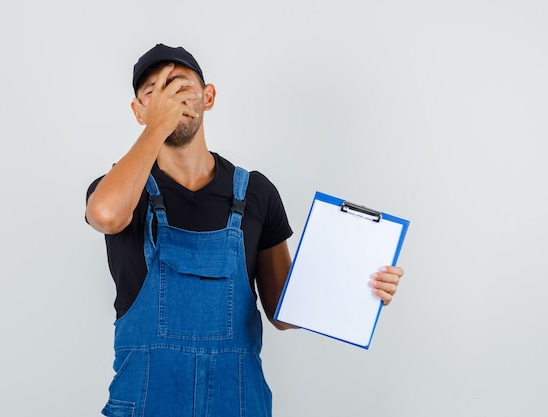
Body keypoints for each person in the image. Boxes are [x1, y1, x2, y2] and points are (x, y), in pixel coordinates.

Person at [85, 43, 405, 417]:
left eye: (179, 85)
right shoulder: (121, 189)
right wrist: (159, 126)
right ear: (140, 112)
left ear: (209, 96)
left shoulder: (256, 193)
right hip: (145, 404)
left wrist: (364, 287)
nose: (168, 98)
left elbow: (285, 311)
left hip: (235, 404)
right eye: (153, 93)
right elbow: (106, 216)